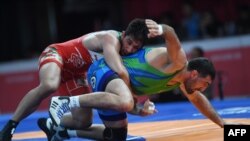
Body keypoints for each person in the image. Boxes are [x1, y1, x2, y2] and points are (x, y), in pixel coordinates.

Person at [43, 19, 229, 141]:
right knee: (125, 101)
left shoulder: (182, 82)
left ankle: (63, 130)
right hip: (105, 69)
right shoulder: (178, 62)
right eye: (204, 84)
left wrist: (224, 125)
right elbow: (172, 34)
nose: (203, 89)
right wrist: (162, 29)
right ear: (194, 74)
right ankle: (65, 102)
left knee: (116, 137)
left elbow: (199, 101)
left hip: (117, 82)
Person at [0, 18, 150, 141]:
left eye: (136, 47)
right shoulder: (110, 39)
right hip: (57, 54)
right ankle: (10, 125)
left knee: (84, 121)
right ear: (123, 35)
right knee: (49, 85)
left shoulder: (127, 50)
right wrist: (134, 103)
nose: (130, 49)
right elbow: (121, 72)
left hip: (75, 75)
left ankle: (52, 124)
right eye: (129, 42)